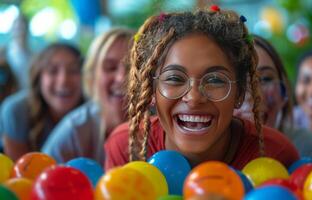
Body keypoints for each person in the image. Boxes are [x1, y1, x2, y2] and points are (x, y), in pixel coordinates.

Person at [104, 7, 299, 171]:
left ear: (239, 93)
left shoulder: (275, 155)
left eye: (215, 80)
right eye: (174, 78)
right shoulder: (128, 149)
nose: (194, 97)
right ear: (151, 91)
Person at [42, 29, 134, 165]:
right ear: (92, 76)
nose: (121, 78)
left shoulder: (161, 123)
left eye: (132, 68)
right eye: (110, 67)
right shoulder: (73, 131)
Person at [233, 35, 312, 160]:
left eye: (266, 79)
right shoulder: (203, 152)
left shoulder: (302, 144)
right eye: (240, 80)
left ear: (284, 91)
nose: (255, 94)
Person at [1, 43, 83, 161]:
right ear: (39, 77)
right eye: (53, 71)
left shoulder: (95, 114)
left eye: (73, 70)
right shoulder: (16, 111)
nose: (64, 80)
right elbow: (21, 174)